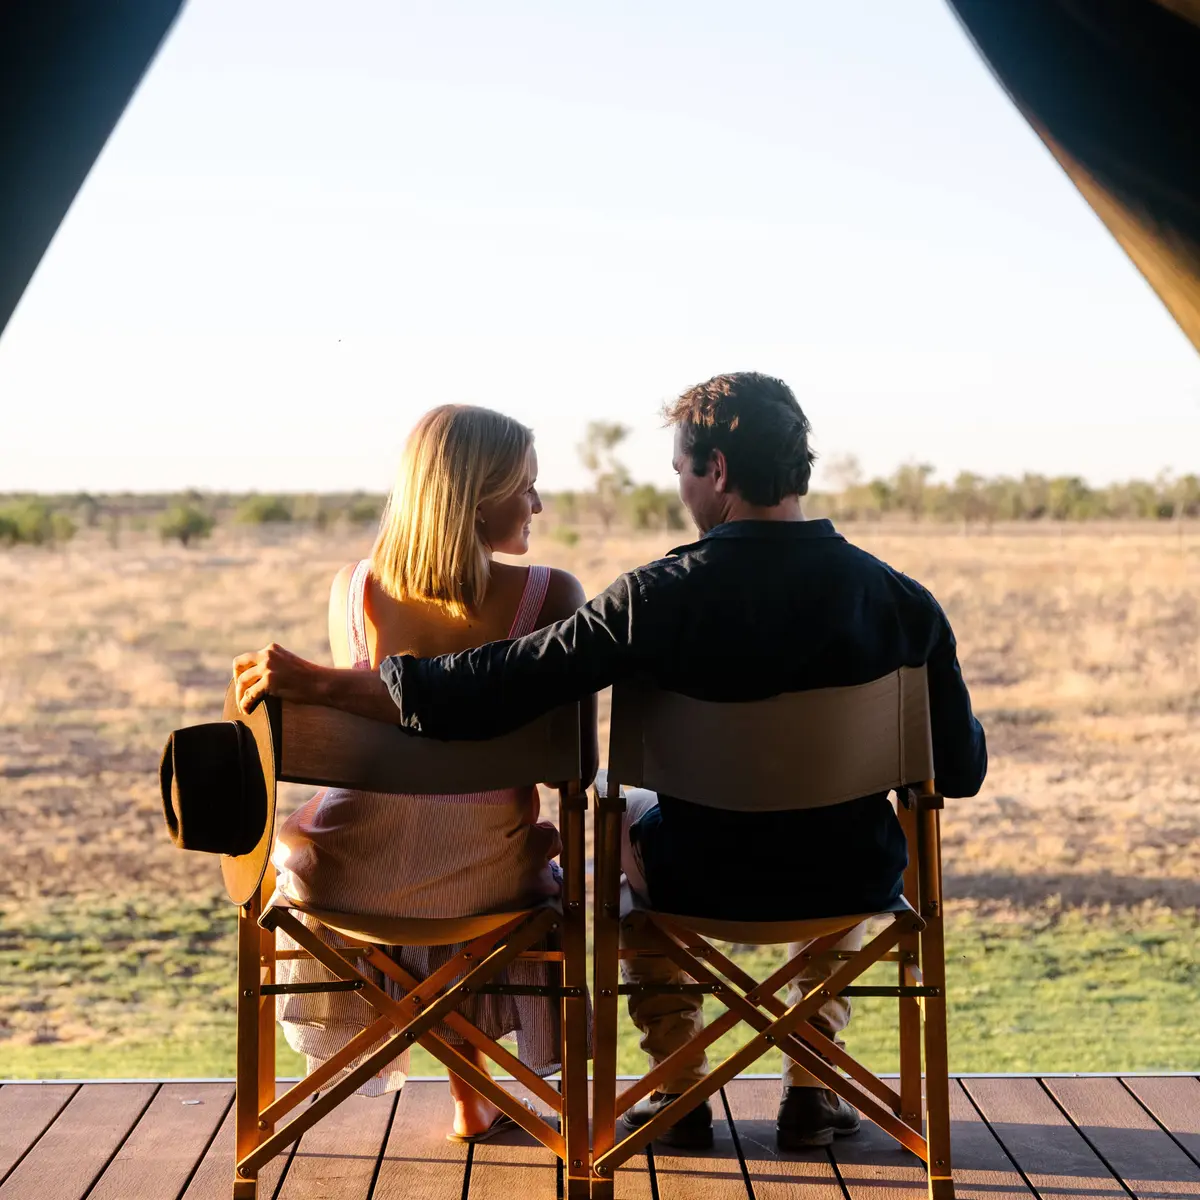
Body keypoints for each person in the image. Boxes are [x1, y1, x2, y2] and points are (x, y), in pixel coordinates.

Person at [235, 372, 987, 1151]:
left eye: (682, 472)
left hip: (693, 876)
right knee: (839, 832)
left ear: (718, 471)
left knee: (621, 823)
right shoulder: (906, 603)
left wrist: (331, 682)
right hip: (848, 875)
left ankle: (679, 1086)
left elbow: (498, 683)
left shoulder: (654, 599)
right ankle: (813, 1077)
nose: (683, 490)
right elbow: (959, 772)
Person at [265, 404, 590, 1142]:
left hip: (343, 877)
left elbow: (382, 739)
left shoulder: (351, 590)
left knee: (380, 829)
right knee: (487, 843)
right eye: (526, 488)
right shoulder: (552, 597)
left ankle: (467, 1094)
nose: (538, 505)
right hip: (491, 877)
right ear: (477, 502)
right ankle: (471, 1090)